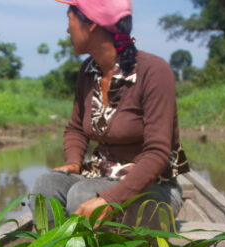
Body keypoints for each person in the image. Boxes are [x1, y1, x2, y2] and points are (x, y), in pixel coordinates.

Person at [29, 0, 189, 228]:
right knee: (44, 186)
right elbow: (75, 127)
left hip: (153, 187)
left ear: (92, 24)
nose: (67, 29)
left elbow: (158, 152)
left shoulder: (154, 71)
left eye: (70, 19)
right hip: (100, 175)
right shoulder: (88, 71)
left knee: (81, 195)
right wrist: (74, 162)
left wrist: (111, 200)